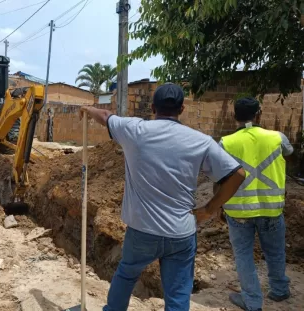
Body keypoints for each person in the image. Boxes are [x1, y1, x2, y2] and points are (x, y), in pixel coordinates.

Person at [80, 83, 246, 311]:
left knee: (127, 275)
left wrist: (89, 110)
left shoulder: (134, 130)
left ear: (152, 107)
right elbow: (237, 174)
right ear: (182, 109)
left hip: (142, 231)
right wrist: (209, 209)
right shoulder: (200, 141)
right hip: (181, 233)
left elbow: (106, 116)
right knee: (178, 293)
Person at [219, 98, 293, 311]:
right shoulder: (277, 138)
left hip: (239, 211)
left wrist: (218, 206)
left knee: (243, 256)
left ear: (234, 117)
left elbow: (219, 177)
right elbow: (289, 154)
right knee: (275, 252)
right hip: (271, 209)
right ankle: (279, 291)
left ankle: (251, 301)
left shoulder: (226, 142)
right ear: (259, 114)